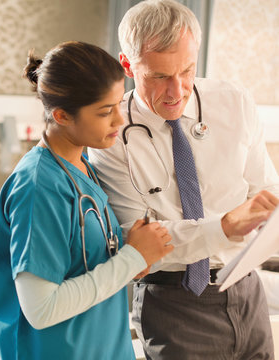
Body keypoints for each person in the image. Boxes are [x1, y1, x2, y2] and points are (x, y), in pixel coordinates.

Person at [87, 1, 279, 358]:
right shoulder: (111, 135)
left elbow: (266, 191)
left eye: (187, 71)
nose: (177, 91)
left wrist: (262, 220)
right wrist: (224, 226)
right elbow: (142, 244)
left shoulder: (233, 102)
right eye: (159, 77)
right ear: (128, 65)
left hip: (246, 290)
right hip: (172, 300)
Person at [0, 41, 174, 360]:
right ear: (61, 115)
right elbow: (41, 310)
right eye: (105, 111)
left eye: (119, 104)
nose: (120, 121)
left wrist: (128, 258)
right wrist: (132, 258)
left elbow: (86, 265)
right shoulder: (38, 188)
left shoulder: (82, 167)